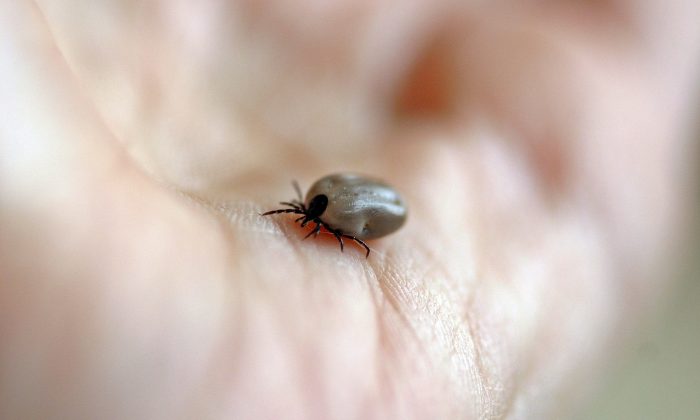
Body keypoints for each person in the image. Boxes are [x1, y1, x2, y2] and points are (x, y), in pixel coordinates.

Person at [1, 1, 698, 418]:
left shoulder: (331, 207)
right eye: (311, 219)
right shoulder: (329, 208)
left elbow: (351, 215)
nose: (306, 224)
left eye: (310, 220)